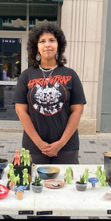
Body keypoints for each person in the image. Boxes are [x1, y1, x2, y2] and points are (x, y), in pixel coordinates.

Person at [14, 23, 86, 164]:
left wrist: (61, 143)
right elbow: (21, 111)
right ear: (36, 47)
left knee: (66, 185)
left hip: (66, 147)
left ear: (59, 45)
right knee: (35, 183)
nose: (47, 44)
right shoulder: (26, 76)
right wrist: (39, 143)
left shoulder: (70, 75)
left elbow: (77, 111)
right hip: (34, 147)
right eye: (42, 41)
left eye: (52, 40)